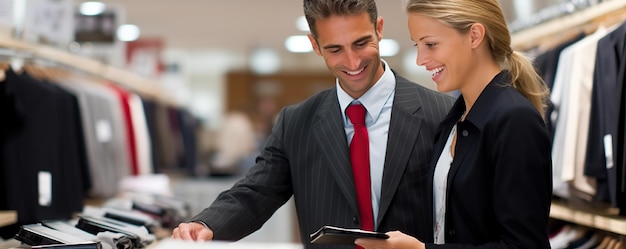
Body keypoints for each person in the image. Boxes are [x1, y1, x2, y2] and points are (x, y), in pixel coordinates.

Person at [171, 0, 454, 248]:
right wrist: (207, 224)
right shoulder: (296, 122)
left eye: (360, 43)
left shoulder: (443, 113)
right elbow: (257, 191)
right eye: (335, 49)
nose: (353, 61)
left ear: (379, 29)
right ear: (315, 45)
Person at [355, 0, 553, 249]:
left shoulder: (513, 120)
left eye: (430, 44)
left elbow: (525, 245)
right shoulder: (454, 119)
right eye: (418, 45)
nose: (420, 59)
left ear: (474, 36)